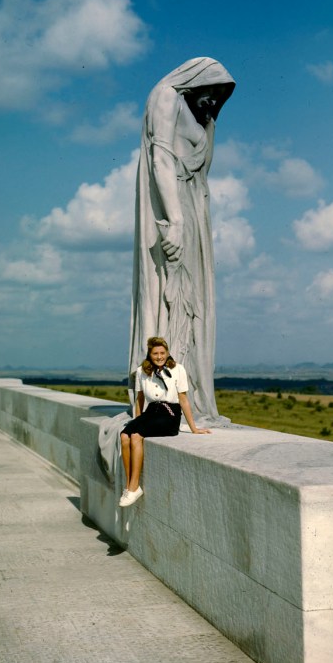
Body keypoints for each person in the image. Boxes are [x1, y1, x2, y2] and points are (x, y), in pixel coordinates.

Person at [129, 58, 235, 425]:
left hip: (195, 208)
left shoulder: (200, 115)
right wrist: (174, 221)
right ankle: (166, 397)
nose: (213, 100)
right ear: (198, 78)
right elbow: (161, 159)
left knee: (197, 302)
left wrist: (209, 121)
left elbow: (203, 171)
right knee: (177, 298)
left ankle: (197, 396)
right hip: (176, 209)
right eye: (212, 91)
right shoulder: (166, 95)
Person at [119, 336, 210, 507]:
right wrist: (137, 421)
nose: (159, 356)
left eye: (162, 353)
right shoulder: (141, 371)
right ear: (150, 354)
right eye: (155, 353)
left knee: (137, 435)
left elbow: (183, 399)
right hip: (151, 411)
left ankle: (134, 486)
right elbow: (139, 399)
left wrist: (194, 428)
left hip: (169, 413)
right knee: (125, 435)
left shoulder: (178, 369)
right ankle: (130, 485)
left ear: (167, 353)